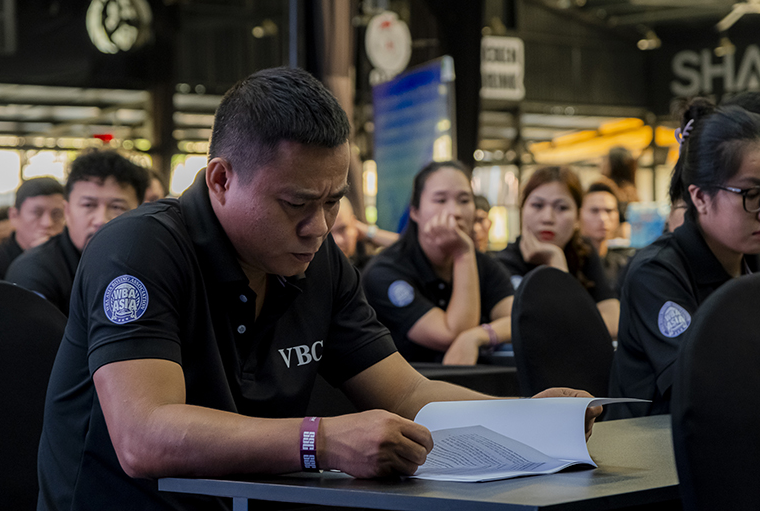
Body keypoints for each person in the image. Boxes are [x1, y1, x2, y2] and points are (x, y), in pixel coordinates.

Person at [37, 68, 599, 511]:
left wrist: (527, 417)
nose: (320, 226)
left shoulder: (319, 260)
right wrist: (320, 441)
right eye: (297, 204)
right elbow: (144, 437)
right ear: (220, 180)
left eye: (332, 201)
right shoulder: (138, 248)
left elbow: (405, 394)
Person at [608, 100, 760, 419]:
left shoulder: (750, 257)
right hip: (656, 452)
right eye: (752, 195)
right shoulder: (656, 272)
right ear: (701, 197)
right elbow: (704, 384)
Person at [362, 161, 516, 365]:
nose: (455, 212)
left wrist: (479, 336)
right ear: (415, 211)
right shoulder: (385, 271)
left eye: (464, 200)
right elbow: (452, 335)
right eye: (440, 200)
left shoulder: (484, 265)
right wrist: (462, 253)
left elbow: (519, 319)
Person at [5, 150, 149, 315]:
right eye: (88, 205)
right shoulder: (35, 271)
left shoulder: (155, 265)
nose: (101, 220)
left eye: (117, 207)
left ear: (139, 212)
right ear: (67, 211)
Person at [496, 165, 620, 338]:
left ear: (578, 217)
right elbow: (538, 327)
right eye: (537, 205)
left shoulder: (584, 253)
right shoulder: (504, 262)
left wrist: (556, 260)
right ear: (522, 211)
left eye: (561, 208)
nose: (548, 218)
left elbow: (613, 323)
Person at [0, 177, 65, 280]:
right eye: (37, 213)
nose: (47, 223)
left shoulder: (75, 260)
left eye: (57, 214)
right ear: (14, 216)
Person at [579, 180, 635, 291]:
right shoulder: (572, 263)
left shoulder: (624, 265)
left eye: (609, 211)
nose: (603, 218)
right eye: (594, 211)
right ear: (578, 214)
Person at [331, 196, 398, 271]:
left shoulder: (368, 268)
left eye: (342, 229)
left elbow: (409, 248)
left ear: (354, 225)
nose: (337, 240)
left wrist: (369, 232)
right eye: (329, 234)